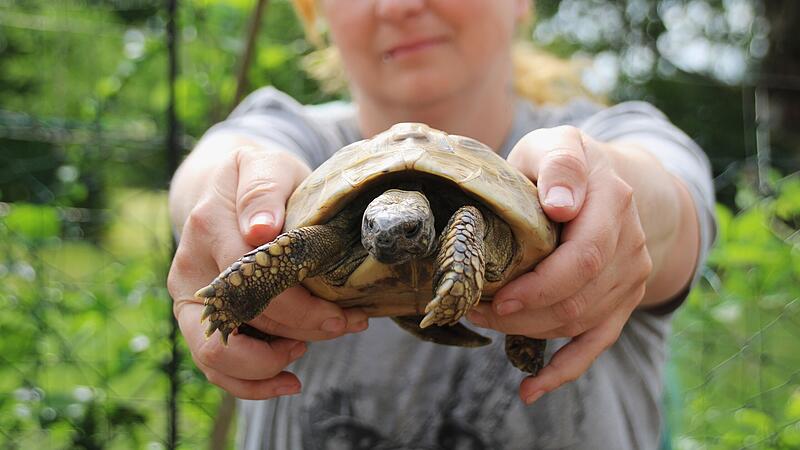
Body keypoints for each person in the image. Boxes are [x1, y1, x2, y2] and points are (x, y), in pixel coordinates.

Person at [167, 1, 716, 448]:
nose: (401, 6)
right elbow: (217, 169)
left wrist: (610, 200)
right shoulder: (291, 139)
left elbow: (662, 202)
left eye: (404, 233)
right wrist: (232, 211)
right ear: (315, 14)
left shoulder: (617, 130)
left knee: (470, 222)